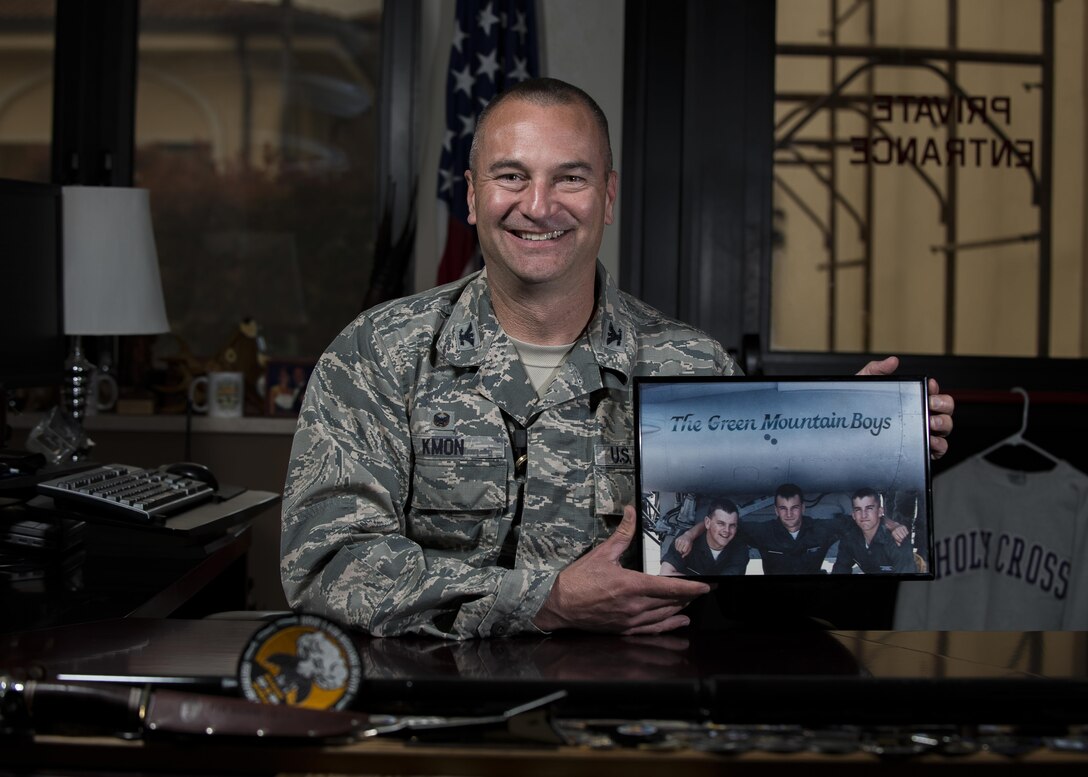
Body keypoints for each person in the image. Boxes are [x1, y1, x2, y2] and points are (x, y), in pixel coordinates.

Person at [280, 77, 954, 639]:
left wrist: (851, 440)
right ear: (472, 192)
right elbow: (328, 566)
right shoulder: (378, 353)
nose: (537, 206)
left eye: (568, 178)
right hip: (430, 720)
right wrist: (544, 598)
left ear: (607, 196)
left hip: (634, 720)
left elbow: (760, 575)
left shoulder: (691, 366)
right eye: (511, 175)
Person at [672, 484, 909, 575]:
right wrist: (688, 534)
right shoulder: (762, 532)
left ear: (803, 508)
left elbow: (862, 519)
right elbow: (718, 526)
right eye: (783, 509)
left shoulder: (822, 529)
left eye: (794, 508)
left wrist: (894, 524)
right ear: (775, 511)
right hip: (776, 597)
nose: (789, 514)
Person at [831, 488, 917, 575]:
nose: (863, 515)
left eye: (869, 508)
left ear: (880, 512)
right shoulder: (850, 538)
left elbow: (907, 583)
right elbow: (840, 569)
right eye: (858, 510)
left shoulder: (897, 540)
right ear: (853, 515)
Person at [659, 501, 748, 576]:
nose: (727, 530)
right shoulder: (685, 540)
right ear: (707, 522)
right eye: (721, 523)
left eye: (732, 525)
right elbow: (665, 573)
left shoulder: (739, 547)